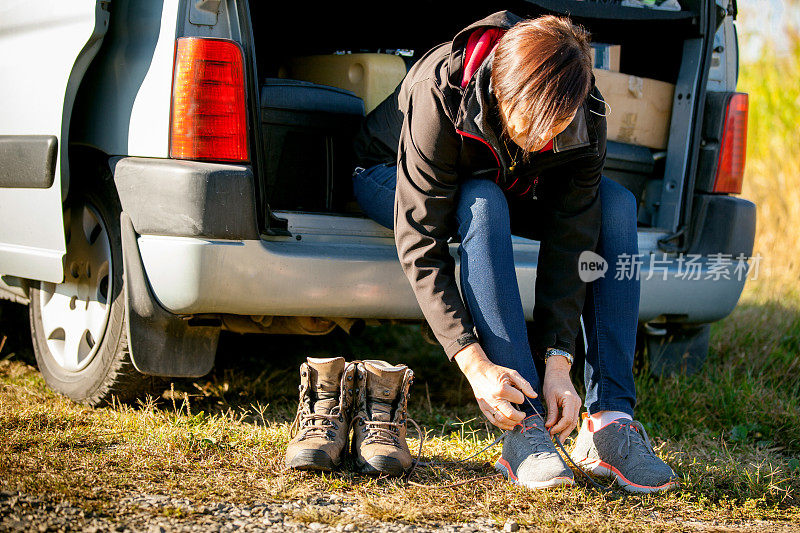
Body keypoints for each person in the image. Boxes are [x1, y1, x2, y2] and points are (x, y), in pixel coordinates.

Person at [351, 11, 678, 492]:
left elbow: (573, 237)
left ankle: (610, 421)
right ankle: (524, 429)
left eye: (558, 128)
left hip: (506, 179)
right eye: (534, 126)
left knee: (614, 206)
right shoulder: (441, 88)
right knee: (481, 202)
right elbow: (420, 241)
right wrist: (472, 360)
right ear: (504, 91)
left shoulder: (581, 107)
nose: (548, 140)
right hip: (388, 173)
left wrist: (558, 359)